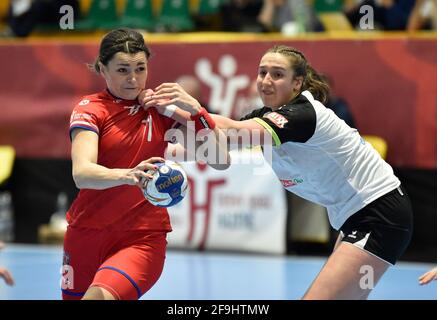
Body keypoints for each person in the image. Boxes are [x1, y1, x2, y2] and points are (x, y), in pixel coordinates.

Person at [142, 45, 414, 299]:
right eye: (262, 72)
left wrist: (179, 109)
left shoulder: (303, 115)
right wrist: (152, 150)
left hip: (378, 214)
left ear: (297, 83)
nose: (266, 80)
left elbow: (232, 131)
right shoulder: (264, 116)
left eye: (277, 74)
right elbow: (217, 145)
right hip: (355, 217)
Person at [64, 28, 228, 300]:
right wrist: (130, 175)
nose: (133, 79)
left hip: (142, 237)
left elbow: (220, 159)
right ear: (103, 69)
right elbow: (82, 173)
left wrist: (195, 109)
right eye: (123, 70)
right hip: (86, 232)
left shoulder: (160, 109)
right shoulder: (90, 109)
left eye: (140, 68)